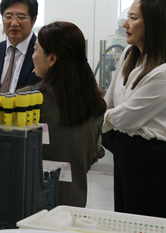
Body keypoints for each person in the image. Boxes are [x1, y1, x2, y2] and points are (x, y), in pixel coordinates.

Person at [103, 0, 166, 219]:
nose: (125, 24)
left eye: (133, 18)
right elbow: (110, 100)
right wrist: (108, 114)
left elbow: (126, 118)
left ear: (153, 25)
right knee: (124, 220)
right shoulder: (129, 54)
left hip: (152, 159)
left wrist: (104, 116)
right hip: (126, 150)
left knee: (147, 223)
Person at [17, 21, 106, 207]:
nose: (33, 56)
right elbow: (92, 155)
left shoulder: (29, 99)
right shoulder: (96, 103)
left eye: (36, 49)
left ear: (52, 58)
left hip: (32, 203)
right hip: (75, 202)